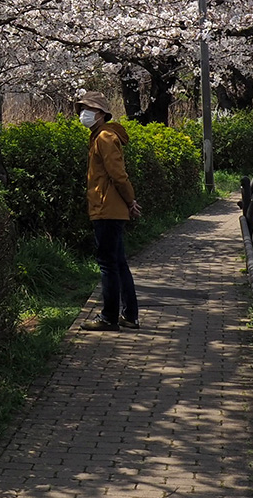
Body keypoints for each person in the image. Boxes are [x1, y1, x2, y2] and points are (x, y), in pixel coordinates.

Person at [78, 93, 142, 331]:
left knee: (108, 265)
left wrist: (131, 200)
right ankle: (129, 315)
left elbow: (117, 174)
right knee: (118, 263)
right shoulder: (100, 136)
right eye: (82, 108)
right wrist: (129, 202)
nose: (84, 113)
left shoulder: (104, 136)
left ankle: (109, 317)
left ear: (102, 114)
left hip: (106, 208)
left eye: (89, 109)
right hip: (110, 208)